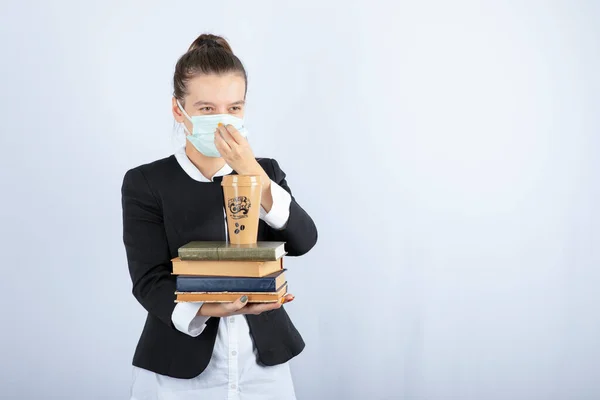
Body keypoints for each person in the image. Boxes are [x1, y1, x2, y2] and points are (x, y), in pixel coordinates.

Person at [121, 33, 318, 400]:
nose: (223, 119)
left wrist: (250, 172)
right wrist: (213, 308)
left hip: (263, 363)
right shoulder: (147, 182)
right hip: (177, 368)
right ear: (179, 111)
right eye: (207, 109)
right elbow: (149, 280)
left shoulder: (266, 172)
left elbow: (304, 240)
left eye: (234, 107)